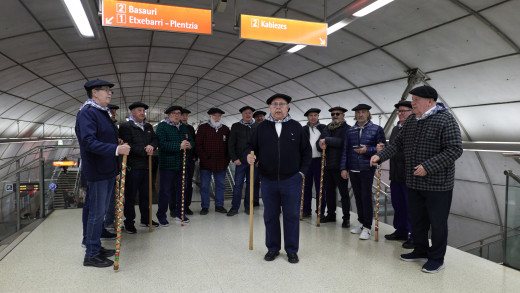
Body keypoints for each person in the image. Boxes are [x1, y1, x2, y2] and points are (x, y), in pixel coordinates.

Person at [371, 85, 463, 273]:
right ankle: (420, 250)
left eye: (416, 100)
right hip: (413, 182)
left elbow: (454, 149)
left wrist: (428, 167)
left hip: (438, 185)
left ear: (430, 102)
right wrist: (380, 156)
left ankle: (437, 259)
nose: (412, 103)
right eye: (412, 100)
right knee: (418, 220)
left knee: (437, 223)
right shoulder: (412, 120)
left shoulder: (445, 119)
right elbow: (397, 144)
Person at [246, 93, 311, 264]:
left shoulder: (297, 127)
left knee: (291, 215)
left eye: (282, 104)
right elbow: (250, 146)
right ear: (269, 108)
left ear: (288, 107)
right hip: (268, 179)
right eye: (274, 104)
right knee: (270, 215)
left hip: (291, 180)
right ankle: (273, 248)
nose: (278, 107)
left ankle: (291, 250)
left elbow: (307, 152)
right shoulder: (260, 128)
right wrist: (248, 156)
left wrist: (301, 173)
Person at [76, 79, 130, 268]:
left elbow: (103, 137)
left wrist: (117, 142)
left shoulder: (101, 113)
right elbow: (89, 142)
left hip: (107, 169)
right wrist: (116, 149)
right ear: (94, 93)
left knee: (98, 211)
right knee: (96, 214)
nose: (109, 94)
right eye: (105, 90)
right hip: (98, 171)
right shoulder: (87, 113)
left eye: (109, 91)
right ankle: (91, 254)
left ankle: (96, 247)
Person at [340, 104, 386, 240]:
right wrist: (343, 168)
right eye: (358, 112)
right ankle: (361, 222)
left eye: (363, 112)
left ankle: (367, 226)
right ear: (355, 115)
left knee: (366, 197)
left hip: (367, 167)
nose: (360, 114)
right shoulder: (350, 131)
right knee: (358, 197)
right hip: (353, 168)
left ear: (368, 114)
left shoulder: (376, 129)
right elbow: (345, 150)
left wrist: (368, 150)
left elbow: (382, 148)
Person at [119, 102, 160, 233]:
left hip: (147, 167)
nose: (142, 113)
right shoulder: (126, 127)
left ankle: (145, 219)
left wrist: (152, 146)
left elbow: (155, 139)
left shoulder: (148, 126)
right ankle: (129, 222)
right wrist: (145, 150)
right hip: (133, 167)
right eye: (139, 110)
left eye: (144, 111)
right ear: (133, 112)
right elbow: (127, 144)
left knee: (146, 195)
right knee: (130, 197)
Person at [379, 101, 414, 249]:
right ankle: (401, 231)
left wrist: (391, 151)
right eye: (399, 112)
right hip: (395, 174)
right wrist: (385, 148)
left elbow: (408, 151)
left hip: (409, 175)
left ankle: (414, 235)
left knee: (411, 207)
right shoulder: (395, 129)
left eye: (404, 111)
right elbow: (393, 147)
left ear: (412, 112)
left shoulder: (414, 128)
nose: (401, 114)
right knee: (398, 204)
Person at [156, 106, 194, 226]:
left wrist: (189, 145)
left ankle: (180, 213)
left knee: (181, 190)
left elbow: (192, 140)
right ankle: (161, 215)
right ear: (168, 114)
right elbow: (162, 144)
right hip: (167, 165)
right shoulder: (162, 127)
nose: (177, 115)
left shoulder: (184, 127)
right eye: (174, 113)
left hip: (182, 164)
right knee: (165, 191)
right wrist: (179, 146)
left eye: (179, 113)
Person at [318, 106, 351, 227]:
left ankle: (346, 217)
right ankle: (331, 214)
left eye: (338, 114)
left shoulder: (347, 129)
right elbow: (319, 143)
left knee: (344, 194)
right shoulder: (327, 128)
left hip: (341, 166)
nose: (335, 116)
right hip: (328, 166)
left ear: (343, 115)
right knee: (329, 192)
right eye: (333, 114)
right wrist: (321, 144)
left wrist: (327, 140)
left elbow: (343, 143)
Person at [196, 108, 230, 215]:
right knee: (205, 185)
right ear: (210, 116)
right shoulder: (203, 128)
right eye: (215, 115)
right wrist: (205, 158)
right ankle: (205, 206)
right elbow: (198, 145)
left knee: (220, 185)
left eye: (219, 116)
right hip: (206, 163)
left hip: (221, 163)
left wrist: (227, 160)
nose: (217, 117)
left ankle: (219, 205)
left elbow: (229, 145)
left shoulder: (225, 129)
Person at [227, 106, 259, 216]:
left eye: (250, 113)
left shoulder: (257, 126)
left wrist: (258, 159)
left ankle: (248, 207)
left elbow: (261, 145)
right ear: (242, 115)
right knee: (238, 185)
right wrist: (234, 158)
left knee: (251, 185)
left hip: (253, 162)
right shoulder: (236, 126)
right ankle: (234, 207)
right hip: (240, 162)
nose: (248, 115)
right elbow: (231, 144)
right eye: (246, 113)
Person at [169, 108, 197, 216]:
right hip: (177, 159)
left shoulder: (189, 128)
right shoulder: (174, 127)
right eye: (183, 115)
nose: (185, 117)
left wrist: (194, 155)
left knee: (187, 184)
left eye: (186, 115)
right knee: (175, 185)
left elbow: (194, 142)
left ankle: (186, 206)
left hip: (189, 159)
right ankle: (173, 207)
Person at [301, 108, 326, 218]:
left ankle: (320, 210)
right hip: (306, 162)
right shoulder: (303, 129)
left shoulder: (324, 128)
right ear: (307, 117)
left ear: (318, 116)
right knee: (306, 187)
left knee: (320, 187)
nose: (313, 117)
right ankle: (306, 209)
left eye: (315, 115)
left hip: (319, 161)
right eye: (311, 115)